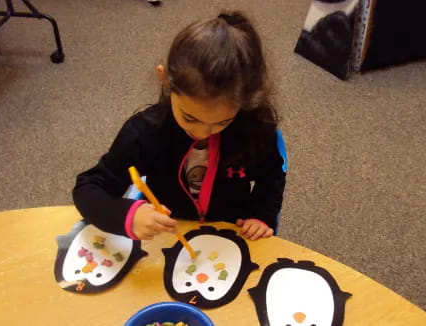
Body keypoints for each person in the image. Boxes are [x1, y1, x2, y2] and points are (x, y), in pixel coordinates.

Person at [73, 11, 286, 242]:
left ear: (244, 101)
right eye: (190, 118)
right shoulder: (145, 132)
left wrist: (260, 215)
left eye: (222, 122)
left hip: (229, 231)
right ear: (165, 79)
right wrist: (129, 215)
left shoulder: (253, 128)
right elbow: (88, 189)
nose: (202, 132)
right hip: (169, 232)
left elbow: (272, 176)